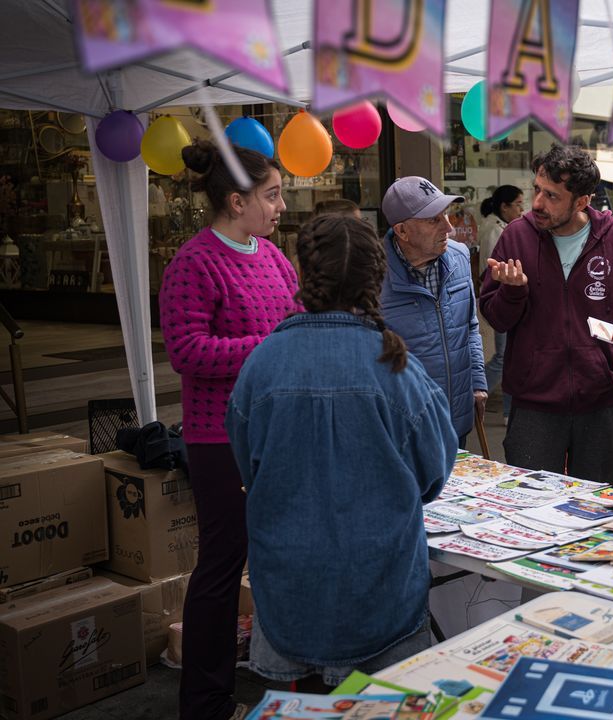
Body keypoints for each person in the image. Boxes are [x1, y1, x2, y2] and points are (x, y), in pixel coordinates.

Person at [226, 215, 455, 692]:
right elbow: (433, 474)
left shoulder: (262, 363)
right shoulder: (397, 368)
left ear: (302, 273)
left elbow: (248, 466)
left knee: (303, 707)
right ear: (377, 279)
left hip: (290, 587)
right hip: (380, 590)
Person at [160, 139, 300, 720]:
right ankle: (206, 701)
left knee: (281, 554)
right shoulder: (192, 263)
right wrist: (268, 349)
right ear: (237, 201)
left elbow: (296, 318)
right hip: (219, 438)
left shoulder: (273, 256)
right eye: (272, 195)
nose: (282, 207)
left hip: (277, 430)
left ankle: (281, 673)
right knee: (222, 564)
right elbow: (186, 350)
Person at [479, 144, 613, 486]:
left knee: (596, 507)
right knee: (533, 505)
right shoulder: (516, 236)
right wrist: (513, 292)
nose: (537, 203)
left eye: (552, 196)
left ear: (582, 201)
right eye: (536, 189)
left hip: (602, 404)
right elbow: (496, 318)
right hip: (533, 406)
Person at [379, 177, 486, 448]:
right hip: (403, 428)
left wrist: (477, 381)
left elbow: (470, 326)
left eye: (446, 215)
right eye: (433, 220)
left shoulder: (460, 257)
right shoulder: (372, 275)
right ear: (402, 231)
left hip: (456, 420)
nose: (448, 227)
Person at [477, 185, 525, 421]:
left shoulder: (499, 227)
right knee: (503, 357)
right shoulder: (495, 230)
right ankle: (475, 395)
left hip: (506, 297)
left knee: (508, 356)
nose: (522, 210)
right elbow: (491, 270)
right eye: (518, 204)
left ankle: (508, 410)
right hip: (501, 299)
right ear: (504, 207)